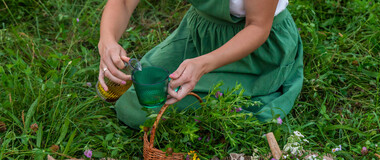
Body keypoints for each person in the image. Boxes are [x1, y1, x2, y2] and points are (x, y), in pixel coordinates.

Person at [98, 0, 303, 129]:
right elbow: (123, 2)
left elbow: (258, 27)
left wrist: (203, 65)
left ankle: (260, 87)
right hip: (200, 32)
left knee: (150, 110)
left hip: (253, 49)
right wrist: (107, 40)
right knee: (139, 94)